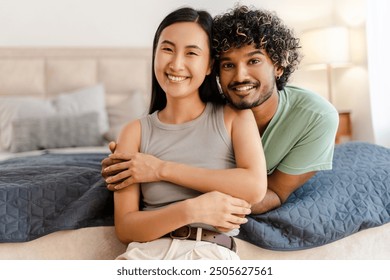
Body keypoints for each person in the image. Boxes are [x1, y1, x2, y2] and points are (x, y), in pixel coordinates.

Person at [102, 5, 339, 215]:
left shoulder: (316, 117)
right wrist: (131, 163)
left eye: (254, 61)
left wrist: (195, 205)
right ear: (214, 69)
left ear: (278, 65)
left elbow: (273, 192)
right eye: (228, 65)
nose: (240, 76)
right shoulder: (208, 115)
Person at [109, 7, 267, 260]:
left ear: (209, 65)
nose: (176, 63)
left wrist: (161, 169)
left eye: (191, 52)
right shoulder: (134, 132)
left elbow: (254, 187)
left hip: (210, 254)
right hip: (145, 256)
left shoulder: (234, 117)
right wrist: (192, 210)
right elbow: (126, 228)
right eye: (167, 49)